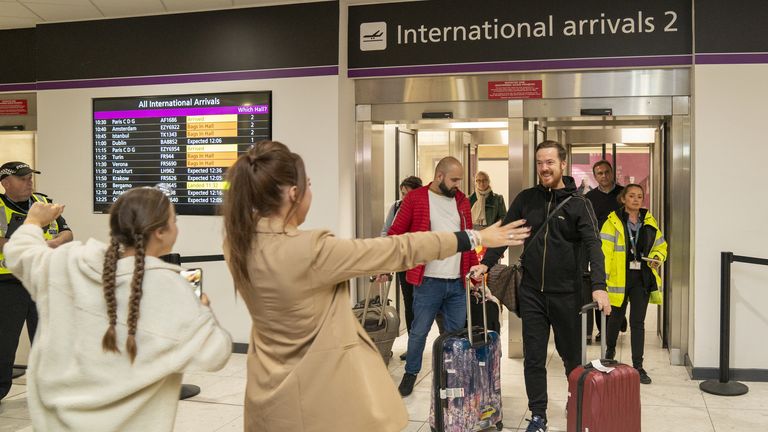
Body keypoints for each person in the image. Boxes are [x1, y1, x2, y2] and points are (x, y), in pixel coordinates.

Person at [221, 141, 530, 432]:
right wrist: (474, 237)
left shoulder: (239, 243)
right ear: (292, 193)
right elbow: (399, 248)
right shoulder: (309, 249)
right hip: (313, 398)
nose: (311, 193)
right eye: (309, 185)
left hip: (265, 394)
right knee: (420, 332)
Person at [3, 187, 232, 431]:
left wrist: (34, 221)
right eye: (174, 221)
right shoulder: (173, 290)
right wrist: (203, 311)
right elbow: (214, 354)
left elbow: (19, 253)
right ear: (162, 232)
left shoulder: (67, 263)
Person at [471, 141, 611, 432]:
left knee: (570, 357)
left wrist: (599, 285)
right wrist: (487, 262)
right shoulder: (526, 199)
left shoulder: (579, 204)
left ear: (563, 164)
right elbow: (504, 234)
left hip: (567, 294)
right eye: (539, 163)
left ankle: (577, 406)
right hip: (532, 292)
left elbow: (594, 247)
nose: (544, 168)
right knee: (533, 357)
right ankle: (538, 415)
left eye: (549, 162)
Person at [387, 156, 480, 397]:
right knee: (419, 331)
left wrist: (476, 272)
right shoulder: (416, 198)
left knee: (454, 334)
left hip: (457, 282)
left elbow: (468, 238)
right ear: (440, 176)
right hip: (428, 281)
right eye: (454, 179)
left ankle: (450, 376)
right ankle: (411, 373)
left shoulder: (461, 201)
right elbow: (396, 233)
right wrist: (384, 265)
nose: (458, 184)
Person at [0, 161, 73, 403]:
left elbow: (67, 232)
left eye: (30, 177)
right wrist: (36, 244)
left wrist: (53, 243)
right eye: (23, 178)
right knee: (4, 343)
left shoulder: (43, 202)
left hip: (43, 280)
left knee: (49, 339)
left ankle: (53, 391)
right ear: (5, 182)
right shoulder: (0, 207)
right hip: (8, 285)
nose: (29, 182)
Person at [601, 184, 667, 385]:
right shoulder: (612, 222)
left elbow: (661, 245)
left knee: (638, 323)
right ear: (623, 199)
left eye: (640, 196)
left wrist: (657, 257)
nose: (636, 199)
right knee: (615, 319)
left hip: (642, 279)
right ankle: (609, 355)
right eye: (632, 196)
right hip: (618, 279)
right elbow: (604, 253)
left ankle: (638, 366)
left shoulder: (649, 221)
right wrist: (601, 281)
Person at [380, 175, 422, 361]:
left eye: (408, 194)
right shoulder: (397, 207)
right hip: (404, 263)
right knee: (410, 302)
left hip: (422, 263)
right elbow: (386, 230)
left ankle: (424, 341)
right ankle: (413, 346)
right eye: (403, 193)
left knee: (424, 304)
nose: (405, 198)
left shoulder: (424, 207)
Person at [583, 161, 625, 343]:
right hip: (599, 251)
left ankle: (618, 319)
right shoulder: (589, 198)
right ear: (595, 176)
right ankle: (604, 330)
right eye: (599, 173)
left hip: (621, 251)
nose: (604, 176)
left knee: (618, 289)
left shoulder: (623, 194)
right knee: (600, 288)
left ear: (612, 172)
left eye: (607, 172)